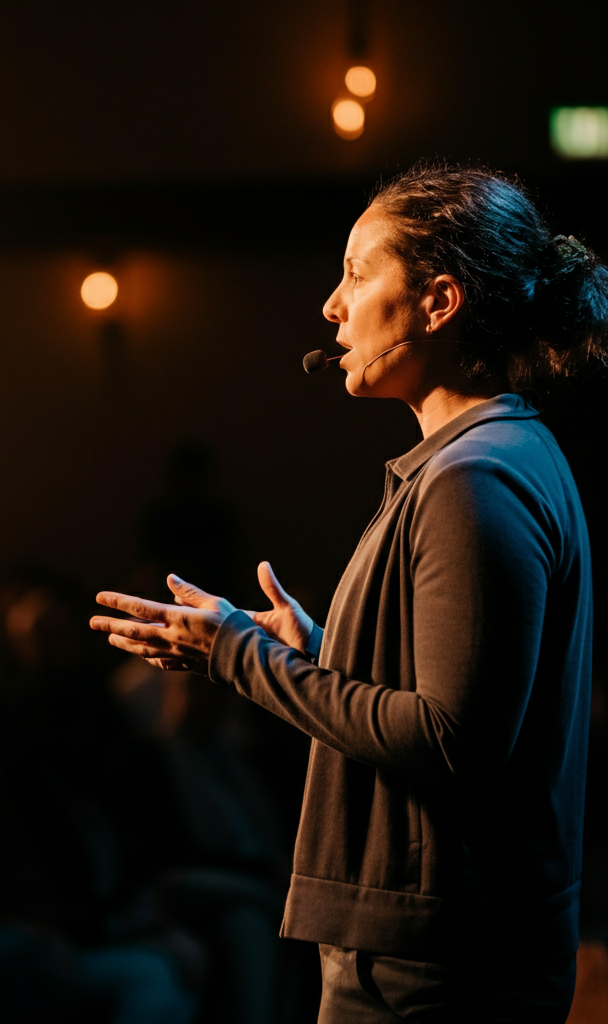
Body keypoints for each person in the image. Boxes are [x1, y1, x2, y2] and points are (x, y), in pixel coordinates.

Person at [90, 162, 607, 1022]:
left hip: (434, 963)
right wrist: (323, 652)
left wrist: (237, 656)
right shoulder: (493, 459)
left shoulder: (475, 477)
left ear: (439, 302)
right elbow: (461, 702)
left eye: (358, 274)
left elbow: (451, 741)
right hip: (448, 946)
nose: (333, 306)